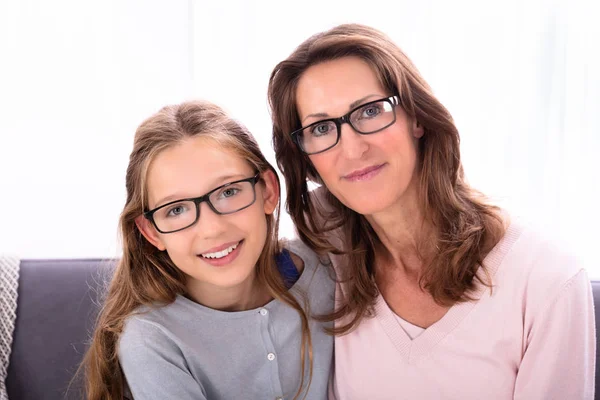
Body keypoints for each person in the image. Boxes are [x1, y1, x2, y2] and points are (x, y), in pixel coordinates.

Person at [268, 23, 595, 399]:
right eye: (322, 128)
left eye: (370, 111)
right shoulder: (328, 249)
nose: (353, 149)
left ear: (417, 118)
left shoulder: (545, 278)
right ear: (305, 155)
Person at [81, 100, 334, 400]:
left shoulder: (329, 265)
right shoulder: (153, 339)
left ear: (267, 190)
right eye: (176, 210)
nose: (212, 228)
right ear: (151, 231)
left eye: (228, 192)